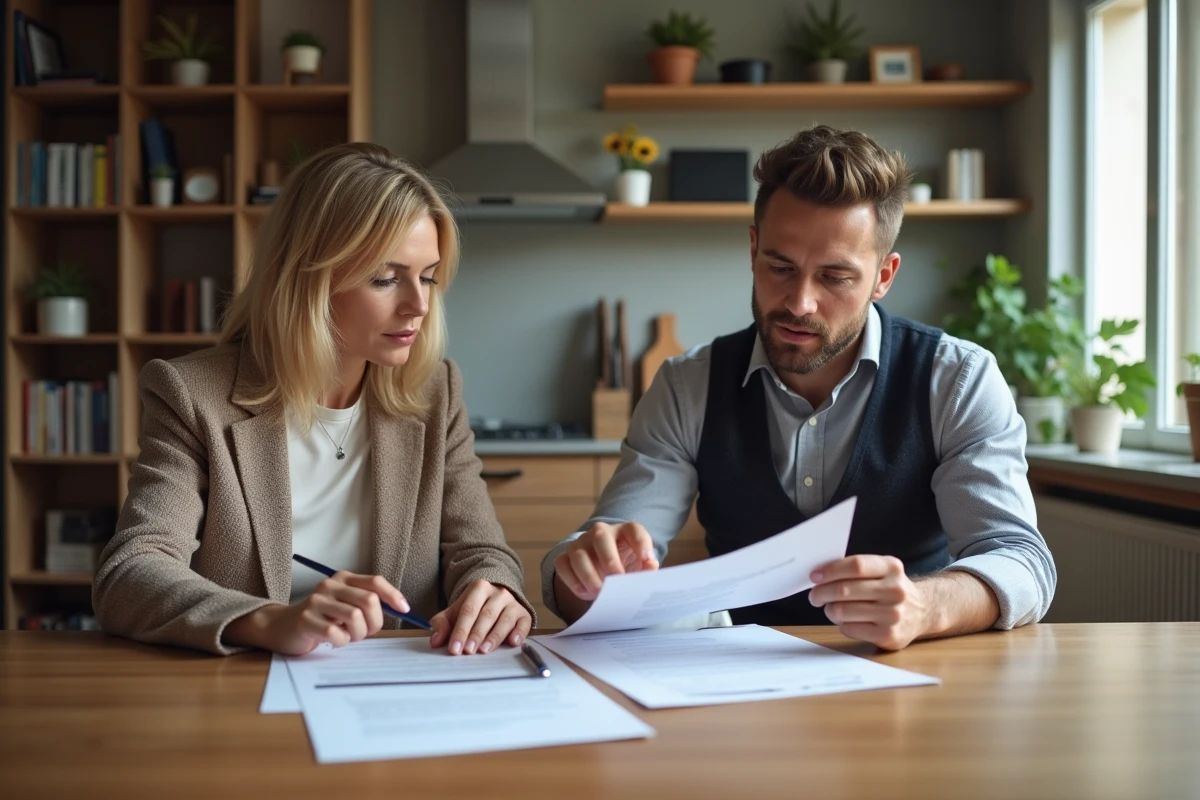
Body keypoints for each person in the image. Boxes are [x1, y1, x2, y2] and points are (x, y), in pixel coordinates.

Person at [543, 125, 1056, 650]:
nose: (799, 303)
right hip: (737, 693)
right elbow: (594, 565)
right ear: (752, 248)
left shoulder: (956, 379)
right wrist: (586, 576)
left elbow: (1020, 560)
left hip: (912, 681)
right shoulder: (686, 386)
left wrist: (926, 606)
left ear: (884, 276)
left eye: (835, 277)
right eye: (780, 267)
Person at [93, 142, 534, 657]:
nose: (418, 304)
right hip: (243, 693)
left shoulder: (436, 391)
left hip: (398, 689)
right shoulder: (192, 396)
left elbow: (480, 550)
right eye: (386, 279)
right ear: (308, 279)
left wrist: (495, 590)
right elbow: (130, 572)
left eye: (429, 277)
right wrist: (266, 621)